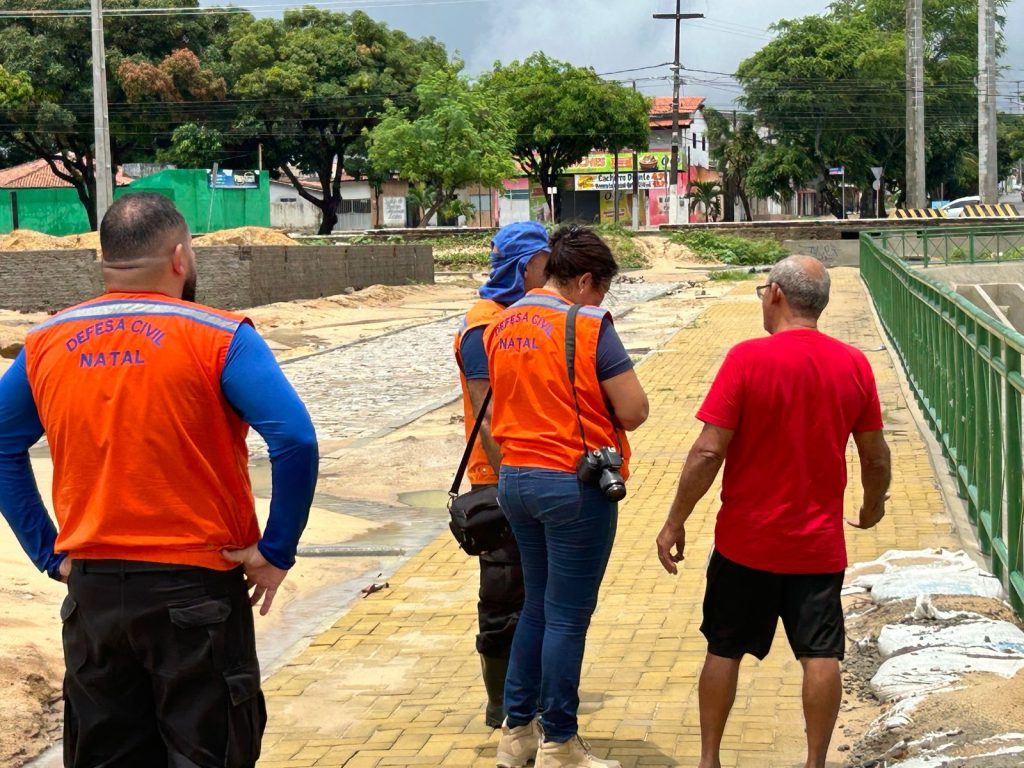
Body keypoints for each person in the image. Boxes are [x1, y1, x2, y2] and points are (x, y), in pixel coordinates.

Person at [0, 193, 319, 768]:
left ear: (104, 259)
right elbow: (294, 439)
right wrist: (276, 551)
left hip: (94, 599)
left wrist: (48, 551)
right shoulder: (220, 336)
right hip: (195, 595)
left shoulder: (46, 341)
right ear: (179, 257)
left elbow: (2, 444)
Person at [655, 255, 892, 768]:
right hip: (818, 548)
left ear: (777, 295)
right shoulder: (854, 364)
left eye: (763, 290)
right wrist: (872, 506)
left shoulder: (746, 359)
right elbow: (875, 455)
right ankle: (814, 763)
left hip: (746, 543)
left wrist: (675, 520)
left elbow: (708, 451)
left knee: (724, 648)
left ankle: (709, 759)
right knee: (821, 654)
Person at [486, 226, 649, 768]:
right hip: (572, 484)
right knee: (567, 617)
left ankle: (516, 733)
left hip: (516, 479)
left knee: (536, 606)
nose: (600, 301)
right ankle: (560, 742)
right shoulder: (587, 323)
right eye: (600, 289)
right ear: (583, 281)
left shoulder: (501, 324)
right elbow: (634, 410)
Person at [454, 221, 550, 728]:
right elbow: (487, 413)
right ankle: (503, 704)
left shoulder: (527, 316)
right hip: (498, 477)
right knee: (503, 588)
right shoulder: (482, 327)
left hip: (533, 471)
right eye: (545, 261)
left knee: (537, 591)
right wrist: (511, 483)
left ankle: (530, 691)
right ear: (526, 265)